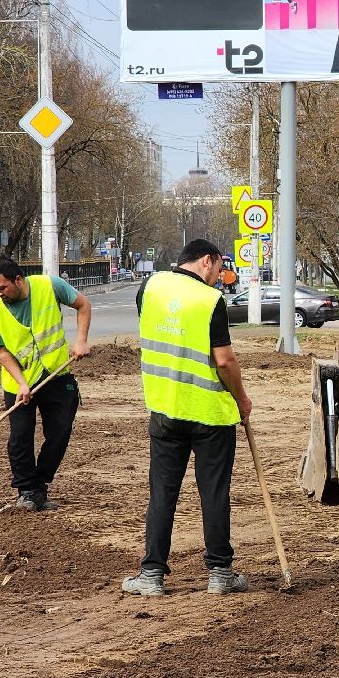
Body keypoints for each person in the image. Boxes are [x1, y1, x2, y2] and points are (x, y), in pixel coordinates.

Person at [122, 240, 254, 597]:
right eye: (219, 268)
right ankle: (220, 573)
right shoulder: (210, 301)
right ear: (206, 261)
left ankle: (151, 575)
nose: (220, 277)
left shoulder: (150, 288)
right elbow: (224, 361)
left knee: (162, 492)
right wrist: (242, 398)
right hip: (209, 413)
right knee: (213, 492)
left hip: (165, 408)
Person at [0, 256, 91, 511]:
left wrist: (81, 341)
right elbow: (2, 352)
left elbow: (83, 305)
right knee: (20, 437)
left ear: (18, 280)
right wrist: (22, 383)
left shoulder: (49, 286)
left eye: (2, 288)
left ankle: (40, 487)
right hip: (18, 383)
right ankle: (25, 491)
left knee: (60, 432)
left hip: (56, 374)